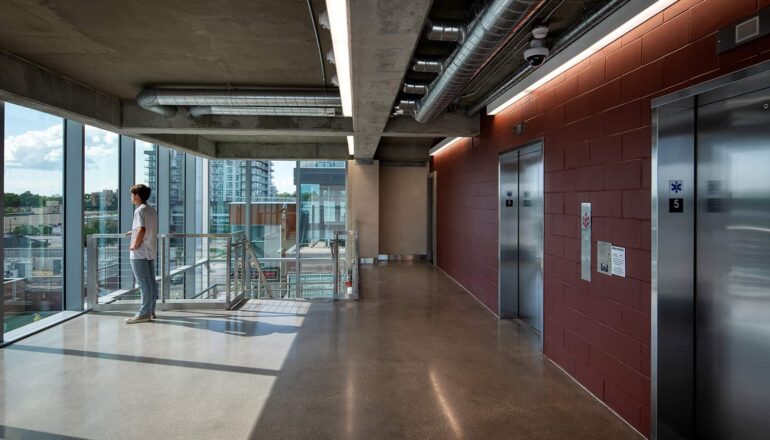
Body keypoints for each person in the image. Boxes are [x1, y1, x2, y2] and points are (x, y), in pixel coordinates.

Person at [125, 184, 158, 324]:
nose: (131, 197)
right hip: (150, 251)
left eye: (132, 195)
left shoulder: (139, 211)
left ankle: (143, 313)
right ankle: (150, 311)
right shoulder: (151, 209)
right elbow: (145, 229)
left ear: (137, 196)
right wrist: (132, 232)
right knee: (151, 283)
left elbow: (142, 230)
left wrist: (134, 245)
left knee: (144, 284)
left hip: (140, 253)